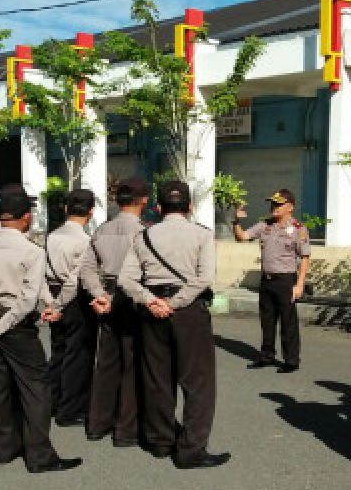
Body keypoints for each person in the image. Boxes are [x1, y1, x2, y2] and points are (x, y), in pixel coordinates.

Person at [0, 191, 82, 473]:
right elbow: (28, 298)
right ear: (26, 217)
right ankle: (39, 455)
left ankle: (3, 448)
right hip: (16, 324)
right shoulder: (31, 251)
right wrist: (1, 326)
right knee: (36, 387)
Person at [119, 180, 228, 468]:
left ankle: (160, 441)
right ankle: (191, 449)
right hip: (188, 310)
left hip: (152, 310)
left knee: (157, 378)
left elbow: (125, 279)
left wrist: (150, 300)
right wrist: (176, 302)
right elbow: (204, 278)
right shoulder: (202, 235)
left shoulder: (144, 236)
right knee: (198, 382)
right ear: (190, 207)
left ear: (158, 207)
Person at [79, 178, 148, 447]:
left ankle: (98, 423)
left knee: (106, 362)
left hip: (106, 295)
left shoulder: (102, 230)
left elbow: (86, 268)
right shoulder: (144, 232)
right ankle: (126, 428)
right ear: (143, 200)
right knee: (132, 363)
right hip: (133, 298)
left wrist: (99, 295)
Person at [231, 188, 311, 373]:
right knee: (267, 321)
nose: (274, 207)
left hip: (285, 280)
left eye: (278, 204)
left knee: (287, 322)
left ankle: (291, 360)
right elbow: (242, 237)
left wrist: (299, 284)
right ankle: (267, 355)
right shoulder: (265, 225)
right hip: (267, 280)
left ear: (290, 207)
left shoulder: (298, 229)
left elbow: (305, 256)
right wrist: (236, 220)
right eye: (272, 203)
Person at [42, 188, 98, 427]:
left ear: (66, 209)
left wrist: (49, 302)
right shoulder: (85, 241)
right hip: (73, 299)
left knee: (58, 351)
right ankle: (71, 409)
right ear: (91, 212)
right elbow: (75, 279)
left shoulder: (51, 236)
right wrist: (61, 303)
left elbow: (40, 273)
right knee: (78, 355)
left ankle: (52, 401)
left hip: (52, 292)